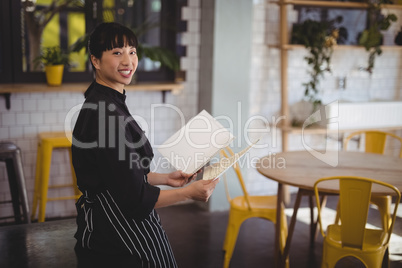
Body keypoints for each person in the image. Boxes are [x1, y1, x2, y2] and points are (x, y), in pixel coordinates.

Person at [72, 22, 219, 267]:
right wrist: (188, 193)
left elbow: (116, 175)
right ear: (95, 60)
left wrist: (165, 178)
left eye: (132, 51)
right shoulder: (106, 116)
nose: (128, 61)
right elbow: (135, 199)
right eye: (117, 53)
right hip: (117, 228)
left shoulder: (106, 99)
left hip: (107, 220)